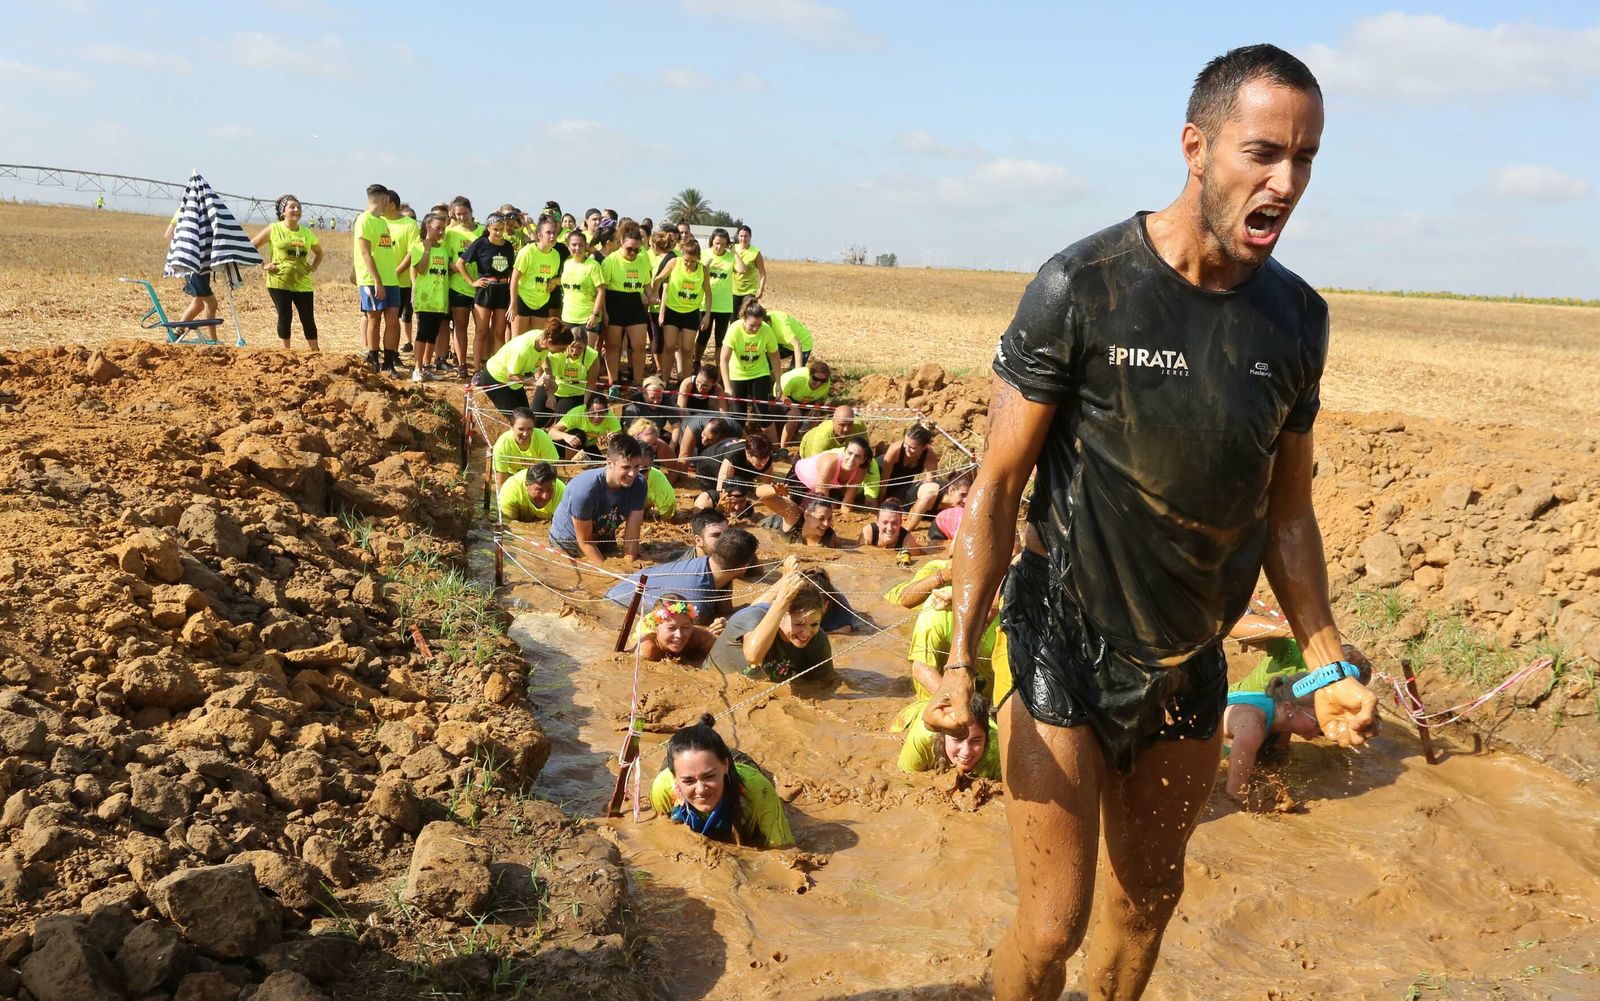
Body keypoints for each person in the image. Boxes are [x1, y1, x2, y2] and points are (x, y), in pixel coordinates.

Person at [924, 46, 1376, 1001]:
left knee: (1148, 905)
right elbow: (997, 491)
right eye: (1263, 153)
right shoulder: (1082, 286)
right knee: (1053, 926)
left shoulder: (1297, 320)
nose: (1286, 182)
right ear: (1195, 146)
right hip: (1061, 634)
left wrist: (1328, 662)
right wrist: (959, 658)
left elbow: (1287, 511)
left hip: (1188, 651)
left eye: (1306, 159)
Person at [649, 714, 795, 848]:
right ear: (674, 777)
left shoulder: (757, 789)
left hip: (739, 767)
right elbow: (664, 835)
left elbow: (784, 848)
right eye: (688, 781)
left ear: (725, 765)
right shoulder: (662, 788)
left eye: (708, 777)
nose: (700, 790)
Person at [605, 527, 761, 623]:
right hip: (615, 605)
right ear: (744, 567)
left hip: (622, 588)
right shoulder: (695, 604)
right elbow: (692, 634)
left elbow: (724, 611)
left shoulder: (712, 564)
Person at [708, 570, 832, 685]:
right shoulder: (753, 616)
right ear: (781, 613)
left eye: (814, 624)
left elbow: (824, 684)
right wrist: (783, 600)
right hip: (714, 685)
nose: (806, 633)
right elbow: (753, 657)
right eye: (798, 624)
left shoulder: (818, 639)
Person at [547, 433, 648, 563]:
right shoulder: (584, 491)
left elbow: (632, 536)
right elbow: (585, 542)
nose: (632, 474)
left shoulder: (639, 484)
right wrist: (606, 570)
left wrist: (629, 566)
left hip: (603, 535)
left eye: (637, 467)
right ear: (609, 463)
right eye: (626, 467)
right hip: (568, 541)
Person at [250, 194, 322, 351]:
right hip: (279, 282)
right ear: (283, 212)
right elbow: (251, 246)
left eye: (299, 207)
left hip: (303, 283)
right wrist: (263, 265)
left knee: (308, 318)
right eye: (292, 207)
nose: (296, 210)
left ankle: (315, 352)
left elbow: (319, 252)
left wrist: (314, 266)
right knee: (285, 317)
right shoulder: (274, 229)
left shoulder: (307, 232)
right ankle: (286, 353)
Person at [909, 582, 1003, 702]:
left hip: (987, 703)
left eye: (993, 608)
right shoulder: (940, 604)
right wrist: (963, 703)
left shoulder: (1014, 613)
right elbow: (920, 668)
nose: (987, 615)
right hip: (936, 700)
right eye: (982, 606)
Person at [895, 692, 1001, 780]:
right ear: (943, 735)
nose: (966, 752)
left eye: (976, 741)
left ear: (987, 737)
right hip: (909, 716)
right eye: (958, 739)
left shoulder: (999, 749)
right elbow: (902, 780)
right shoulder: (921, 740)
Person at [458, 213, 516, 367]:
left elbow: (512, 270)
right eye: (495, 229)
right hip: (485, 290)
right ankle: (477, 369)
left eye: (501, 229)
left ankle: (497, 369)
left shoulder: (508, 246)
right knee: (481, 331)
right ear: (488, 228)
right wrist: (472, 282)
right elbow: (460, 263)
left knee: (499, 333)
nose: (498, 233)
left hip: (502, 290)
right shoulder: (480, 243)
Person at [354, 183, 401, 374]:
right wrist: (377, 280)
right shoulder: (363, 220)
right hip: (372, 280)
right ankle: (373, 358)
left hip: (391, 279)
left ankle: (389, 361)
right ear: (383, 199)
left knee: (393, 320)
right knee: (374, 319)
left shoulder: (382, 222)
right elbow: (365, 253)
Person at [601, 221, 654, 389]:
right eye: (629, 249)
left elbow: (646, 283)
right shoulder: (610, 261)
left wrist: (651, 296)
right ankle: (613, 383)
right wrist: (604, 312)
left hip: (635, 303)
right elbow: (602, 289)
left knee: (639, 345)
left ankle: (638, 383)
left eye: (636, 250)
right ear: (622, 242)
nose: (633, 253)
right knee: (613, 346)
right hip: (614, 302)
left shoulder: (642, 259)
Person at [652, 237, 709, 384]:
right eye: (686, 261)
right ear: (682, 256)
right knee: (670, 346)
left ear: (698, 259)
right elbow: (660, 279)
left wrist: (707, 315)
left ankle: (684, 383)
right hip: (672, 311)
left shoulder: (703, 270)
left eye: (693, 261)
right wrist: (655, 291)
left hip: (691, 313)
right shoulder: (674, 263)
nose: (689, 264)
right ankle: (664, 381)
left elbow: (708, 293)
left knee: (687, 349)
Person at [720, 301, 782, 430]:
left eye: (759, 325)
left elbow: (775, 356)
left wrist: (778, 383)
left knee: (762, 413)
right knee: (738, 415)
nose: (756, 329)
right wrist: (727, 386)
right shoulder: (734, 329)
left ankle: (776, 447)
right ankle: (737, 446)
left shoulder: (766, 329)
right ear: (743, 318)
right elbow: (724, 359)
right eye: (752, 325)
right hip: (737, 374)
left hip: (760, 372)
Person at [406, 211, 453, 380]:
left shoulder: (444, 249)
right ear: (428, 227)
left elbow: (449, 269)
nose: (441, 232)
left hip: (439, 299)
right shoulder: (418, 247)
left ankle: (427, 365)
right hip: (425, 299)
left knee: (433, 334)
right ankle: (417, 368)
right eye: (437, 228)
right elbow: (422, 269)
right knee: (423, 333)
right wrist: (426, 249)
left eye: (443, 229)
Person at [478, 318, 556, 415]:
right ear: (550, 342)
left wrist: (548, 372)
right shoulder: (522, 350)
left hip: (514, 382)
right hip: (496, 378)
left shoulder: (542, 338)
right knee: (518, 420)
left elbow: (544, 357)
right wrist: (535, 382)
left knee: (527, 417)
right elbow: (511, 375)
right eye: (562, 348)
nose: (563, 351)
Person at [444, 196, 484, 375]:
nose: (462, 217)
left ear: (471, 211)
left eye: (465, 213)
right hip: (458, 286)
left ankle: (480, 364)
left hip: (480, 286)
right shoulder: (450, 233)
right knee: (460, 326)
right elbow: (445, 260)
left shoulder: (482, 231)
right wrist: (458, 266)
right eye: (458, 214)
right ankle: (461, 364)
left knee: (481, 327)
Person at [878, 423, 943, 532]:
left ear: (924, 447)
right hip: (882, 474)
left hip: (903, 482)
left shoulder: (930, 456)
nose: (907, 449)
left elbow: (929, 484)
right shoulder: (895, 450)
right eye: (905, 444)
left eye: (912, 448)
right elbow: (884, 481)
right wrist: (879, 503)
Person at [692, 431, 776, 511]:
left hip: (740, 470)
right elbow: (721, 492)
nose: (763, 464)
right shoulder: (733, 457)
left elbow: (766, 487)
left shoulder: (767, 458)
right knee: (731, 499)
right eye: (759, 460)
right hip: (707, 470)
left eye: (765, 459)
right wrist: (723, 505)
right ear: (748, 453)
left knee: (744, 494)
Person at [631, 594, 722, 665]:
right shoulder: (646, 649)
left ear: (691, 626)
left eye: (686, 627)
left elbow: (725, 655)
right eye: (671, 628)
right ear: (656, 628)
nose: (679, 635)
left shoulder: (699, 637)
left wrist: (723, 630)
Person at [508, 217, 562, 337]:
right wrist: (513, 304)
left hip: (542, 301)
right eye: (548, 232)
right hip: (523, 299)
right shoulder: (527, 252)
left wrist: (552, 285)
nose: (552, 236)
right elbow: (514, 279)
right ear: (539, 235)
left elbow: (551, 279)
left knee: (537, 341)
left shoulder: (556, 255)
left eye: (554, 232)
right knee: (518, 342)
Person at [536, 325, 601, 424]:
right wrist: (550, 395)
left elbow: (590, 384)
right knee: (536, 419)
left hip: (574, 394)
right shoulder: (556, 351)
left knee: (562, 424)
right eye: (572, 347)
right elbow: (549, 376)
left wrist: (585, 406)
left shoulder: (592, 356)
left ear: (586, 346)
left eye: (580, 348)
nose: (575, 351)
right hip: (551, 386)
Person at [165, 208, 217, 327]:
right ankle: (213, 341)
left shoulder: (186, 208)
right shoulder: (192, 209)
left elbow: (168, 234)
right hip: (195, 266)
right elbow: (168, 234)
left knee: (198, 304)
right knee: (211, 303)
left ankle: (176, 334)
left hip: (201, 265)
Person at [491, 407, 559, 492]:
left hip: (539, 480)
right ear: (511, 427)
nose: (525, 434)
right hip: (512, 479)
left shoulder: (542, 438)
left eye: (530, 429)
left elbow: (551, 473)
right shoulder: (502, 444)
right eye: (521, 429)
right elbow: (501, 484)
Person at [792, 438, 873, 507]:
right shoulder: (830, 463)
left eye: (857, 456)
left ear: (863, 460)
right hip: (798, 479)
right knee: (804, 509)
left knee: (834, 505)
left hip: (825, 489)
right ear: (844, 452)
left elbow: (848, 502)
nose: (851, 459)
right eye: (849, 453)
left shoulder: (860, 471)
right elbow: (820, 501)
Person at [385, 192, 419, 356]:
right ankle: (373, 352)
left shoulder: (410, 225)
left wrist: (395, 272)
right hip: (378, 280)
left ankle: (392, 354)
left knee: (395, 319)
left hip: (401, 282)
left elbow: (411, 252)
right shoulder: (377, 221)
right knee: (374, 318)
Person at [699, 228, 737, 368]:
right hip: (705, 303)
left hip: (724, 305)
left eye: (723, 244)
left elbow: (742, 269)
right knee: (703, 336)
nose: (719, 247)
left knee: (720, 339)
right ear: (711, 241)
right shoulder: (703, 254)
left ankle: (719, 367)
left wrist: (734, 252)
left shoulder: (730, 257)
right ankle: (697, 361)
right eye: (716, 243)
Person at [559, 231, 606, 343]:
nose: (578, 248)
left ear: (585, 246)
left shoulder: (593, 265)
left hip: (588, 317)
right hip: (568, 316)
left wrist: (595, 314)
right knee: (569, 352)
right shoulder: (566, 264)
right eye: (574, 245)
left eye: (581, 245)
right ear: (568, 246)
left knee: (587, 353)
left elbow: (601, 291)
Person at [775, 361, 832, 451]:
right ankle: (782, 449)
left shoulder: (827, 383)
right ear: (810, 375)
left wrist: (815, 408)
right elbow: (780, 395)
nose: (819, 383)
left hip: (809, 400)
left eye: (822, 381)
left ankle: (810, 446)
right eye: (815, 379)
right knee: (795, 417)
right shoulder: (796, 379)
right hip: (787, 396)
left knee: (816, 417)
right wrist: (793, 407)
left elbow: (821, 398)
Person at [755, 486, 838, 548]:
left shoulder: (829, 539)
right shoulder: (793, 514)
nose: (826, 524)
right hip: (769, 526)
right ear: (807, 515)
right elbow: (759, 492)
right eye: (821, 518)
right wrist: (773, 490)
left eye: (829, 518)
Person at [550, 393, 623, 460]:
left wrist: (614, 438)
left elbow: (621, 438)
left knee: (600, 463)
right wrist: (566, 436)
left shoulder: (609, 417)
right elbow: (551, 432)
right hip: (564, 446)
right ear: (587, 411)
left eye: (601, 413)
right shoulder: (577, 413)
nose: (597, 417)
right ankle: (569, 463)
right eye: (593, 413)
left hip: (587, 446)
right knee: (579, 434)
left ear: (606, 412)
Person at [498, 461, 565, 523]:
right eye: (539, 490)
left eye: (549, 490)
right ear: (527, 485)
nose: (545, 496)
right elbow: (507, 525)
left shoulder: (564, 495)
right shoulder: (510, 492)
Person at [799, 405, 868, 458]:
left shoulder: (859, 426)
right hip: (809, 455)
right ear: (833, 421)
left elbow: (866, 453)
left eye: (850, 424)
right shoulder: (822, 437)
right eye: (842, 425)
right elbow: (817, 467)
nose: (846, 429)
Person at [729, 224, 766, 319]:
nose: (743, 238)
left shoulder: (755, 252)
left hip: (749, 290)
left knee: (747, 315)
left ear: (750, 237)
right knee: (733, 318)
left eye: (746, 236)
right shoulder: (732, 249)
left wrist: (761, 289)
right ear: (738, 237)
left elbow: (762, 273)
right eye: (741, 236)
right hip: (733, 289)